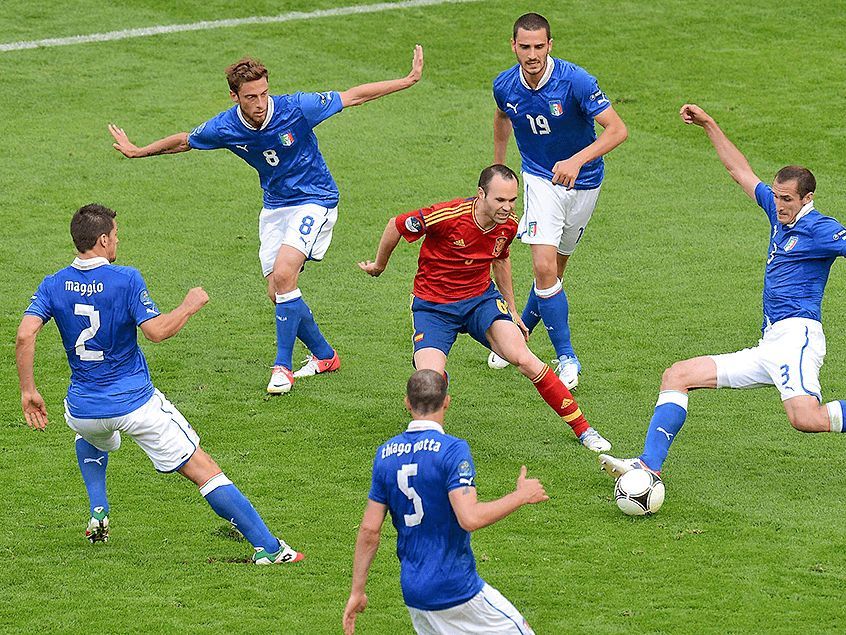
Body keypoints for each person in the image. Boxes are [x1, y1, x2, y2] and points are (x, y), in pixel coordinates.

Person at [108, 46, 424, 394]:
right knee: (277, 292)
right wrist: (138, 151)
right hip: (275, 208)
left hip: (315, 199)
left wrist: (407, 80)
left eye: (263, 94)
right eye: (250, 97)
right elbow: (185, 141)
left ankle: (282, 368)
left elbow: (353, 96)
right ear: (235, 96)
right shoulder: (226, 126)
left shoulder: (297, 108)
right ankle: (324, 355)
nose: (260, 103)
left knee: (285, 274)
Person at [16, 203, 303, 564]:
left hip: (83, 409)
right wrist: (189, 305)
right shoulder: (126, 279)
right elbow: (156, 332)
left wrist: (29, 391)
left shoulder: (53, 284)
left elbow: (25, 334)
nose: (117, 241)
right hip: (136, 405)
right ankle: (270, 549)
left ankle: (99, 509)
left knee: (90, 435)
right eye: (115, 235)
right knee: (203, 469)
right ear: (102, 240)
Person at [600, 104, 846, 481]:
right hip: (770, 343)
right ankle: (648, 465)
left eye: (787, 199)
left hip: (797, 337)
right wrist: (709, 124)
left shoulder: (820, 228)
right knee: (678, 375)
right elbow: (739, 170)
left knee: (806, 419)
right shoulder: (778, 214)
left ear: (807, 199)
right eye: (776, 196)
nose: (778, 205)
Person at [359, 164, 610, 452]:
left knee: (525, 359)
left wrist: (512, 310)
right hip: (434, 308)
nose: (507, 207)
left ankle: (584, 430)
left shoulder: (508, 224)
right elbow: (397, 224)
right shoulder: (447, 216)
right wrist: (379, 266)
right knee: (429, 381)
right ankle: (431, 432)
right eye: (500, 200)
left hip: (480, 301)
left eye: (512, 200)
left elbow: (500, 258)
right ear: (481, 194)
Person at [343, 370, 546, 634]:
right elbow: (469, 518)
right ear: (447, 401)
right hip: (456, 588)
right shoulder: (452, 450)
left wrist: (357, 591)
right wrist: (521, 496)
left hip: (415, 593)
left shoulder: (385, 455)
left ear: (407, 403)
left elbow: (369, 530)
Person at [489, 13, 628, 390]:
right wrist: (499, 168)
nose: (532, 54)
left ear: (550, 45)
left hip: (586, 182)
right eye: (524, 46)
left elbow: (618, 130)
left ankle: (518, 332)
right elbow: (502, 116)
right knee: (543, 266)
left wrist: (577, 161)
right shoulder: (504, 85)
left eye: (539, 46)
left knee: (554, 272)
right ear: (513, 46)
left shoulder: (575, 81)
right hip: (540, 179)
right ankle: (567, 358)